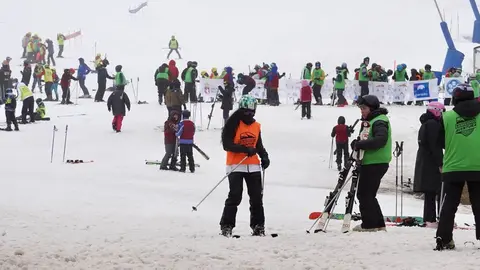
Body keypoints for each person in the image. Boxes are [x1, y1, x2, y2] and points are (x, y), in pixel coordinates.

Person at [435, 84, 480, 250]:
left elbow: (439, 142)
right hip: (478, 166)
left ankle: (444, 238)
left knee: (449, 205)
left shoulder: (447, 117)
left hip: (454, 166)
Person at [219, 95, 270, 237]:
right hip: (235, 165)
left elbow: (258, 145)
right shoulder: (233, 124)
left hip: (253, 166)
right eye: (246, 112)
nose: (249, 115)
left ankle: (258, 226)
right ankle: (227, 225)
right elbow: (227, 145)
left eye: (252, 111)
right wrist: (244, 149)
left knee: (256, 197)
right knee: (235, 196)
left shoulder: (256, 126)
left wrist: (264, 156)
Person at [351, 94, 392, 232]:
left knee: (364, 194)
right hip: (372, 161)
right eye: (360, 108)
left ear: (372, 108)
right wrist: (357, 144)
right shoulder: (372, 120)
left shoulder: (379, 121)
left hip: (375, 162)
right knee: (368, 194)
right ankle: (378, 224)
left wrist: (361, 144)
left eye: (364, 108)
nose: (361, 111)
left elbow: (381, 140)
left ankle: (369, 224)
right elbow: (367, 139)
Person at [413, 102, 445, 228]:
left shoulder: (427, 123)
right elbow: (435, 145)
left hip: (425, 160)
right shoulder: (433, 124)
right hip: (431, 162)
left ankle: (429, 218)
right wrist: (440, 163)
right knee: (435, 190)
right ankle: (433, 219)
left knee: (430, 192)